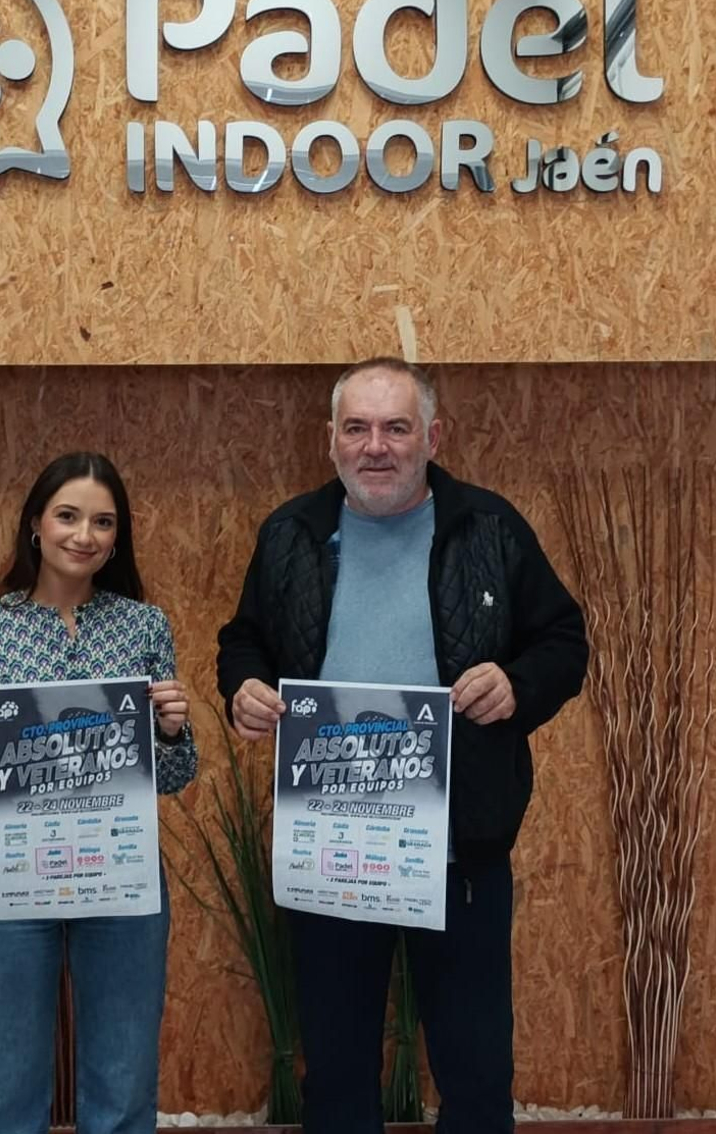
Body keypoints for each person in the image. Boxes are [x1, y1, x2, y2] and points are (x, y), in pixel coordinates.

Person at [216, 358, 588, 1134]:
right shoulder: (289, 533)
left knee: (476, 1070)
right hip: (334, 846)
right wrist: (243, 687)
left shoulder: (490, 527)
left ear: (432, 436)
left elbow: (563, 640)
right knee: (339, 1070)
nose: (375, 446)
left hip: (459, 846)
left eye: (396, 427)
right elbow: (243, 639)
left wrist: (518, 684)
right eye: (357, 428)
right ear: (330, 440)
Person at [0, 451, 198, 1134]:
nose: (85, 534)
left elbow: (176, 775)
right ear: (35, 525)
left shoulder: (145, 626)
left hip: (121, 863)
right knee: (6, 1066)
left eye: (103, 522)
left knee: (124, 1069)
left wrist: (170, 729)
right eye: (68, 515)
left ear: (117, 537)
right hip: (12, 862)